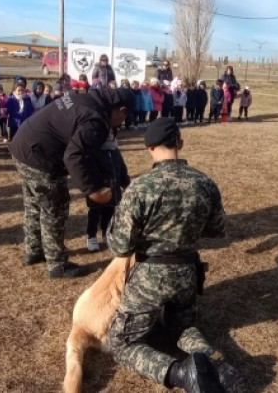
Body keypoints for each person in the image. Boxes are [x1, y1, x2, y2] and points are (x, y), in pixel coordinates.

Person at [106, 117, 241, 393]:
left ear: (150, 147)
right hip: (187, 275)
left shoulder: (141, 187)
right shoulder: (205, 183)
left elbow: (120, 245)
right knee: (182, 326)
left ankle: (181, 373)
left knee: (121, 343)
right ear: (179, 142)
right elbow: (217, 230)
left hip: (149, 279)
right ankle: (214, 364)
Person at [9, 87, 133, 279]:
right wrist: (93, 189)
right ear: (122, 110)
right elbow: (75, 156)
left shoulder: (86, 98)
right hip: (41, 156)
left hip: (23, 146)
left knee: (34, 204)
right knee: (54, 209)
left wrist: (123, 179)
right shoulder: (95, 120)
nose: (121, 123)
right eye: (124, 117)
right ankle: (58, 264)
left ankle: (34, 250)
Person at [85, 129, 130, 252]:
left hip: (113, 190)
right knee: (95, 213)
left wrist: (125, 182)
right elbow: (90, 171)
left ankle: (106, 234)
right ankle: (91, 236)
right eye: (107, 134)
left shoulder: (115, 150)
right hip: (98, 190)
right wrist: (95, 187)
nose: (110, 136)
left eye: (112, 134)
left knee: (109, 213)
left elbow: (121, 167)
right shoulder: (94, 151)